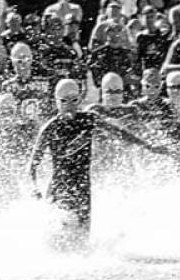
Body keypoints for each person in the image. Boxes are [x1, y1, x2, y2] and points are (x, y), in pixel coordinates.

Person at [30, 79, 168, 249]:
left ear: (80, 99)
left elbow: (119, 132)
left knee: (82, 241)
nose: (69, 105)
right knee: (60, 231)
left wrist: (149, 146)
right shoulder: (51, 127)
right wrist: (34, 187)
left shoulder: (88, 118)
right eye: (64, 101)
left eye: (74, 100)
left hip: (83, 188)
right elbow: (33, 165)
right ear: (56, 101)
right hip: (59, 188)